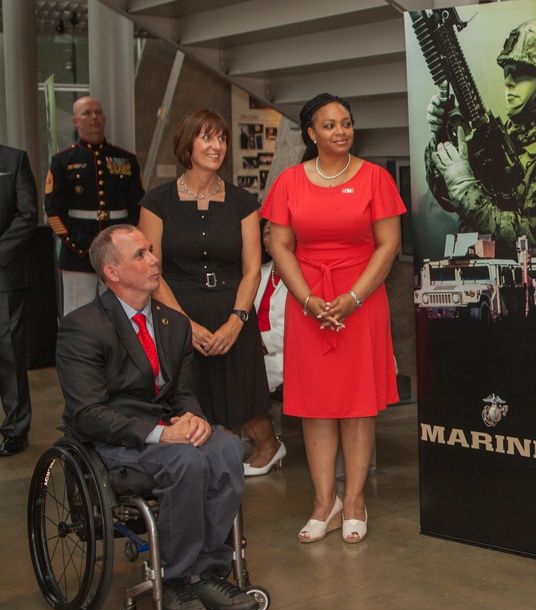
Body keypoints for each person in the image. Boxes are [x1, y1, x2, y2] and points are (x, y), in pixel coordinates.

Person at [55, 224, 259, 610]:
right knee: (187, 462)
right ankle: (176, 577)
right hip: (114, 439)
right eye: (140, 255)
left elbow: (182, 392)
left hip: (167, 429)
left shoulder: (174, 323)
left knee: (227, 447)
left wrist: (194, 419)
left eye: (151, 250)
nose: (154, 260)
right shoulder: (83, 327)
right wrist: (162, 433)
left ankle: (210, 571)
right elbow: (87, 413)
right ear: (112, 272)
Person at [261, 93, 404, 544]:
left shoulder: (376, 179)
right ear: (311, 133)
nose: (340, 131)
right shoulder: (289, 182)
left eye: (346, 123)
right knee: (314, 404)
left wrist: (353, 297)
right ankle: (326, 503)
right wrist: (306, 301)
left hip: (361, 301)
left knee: (358, 403)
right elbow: (279, 245)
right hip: (307, 303)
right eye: (329, 125)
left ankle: (356, 500)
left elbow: (388, 245)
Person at [137, 110, 277, 471]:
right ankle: (199, 460)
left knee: (240, 391)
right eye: (207, 138)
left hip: (232, 307)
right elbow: (153, 271)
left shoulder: (242, 202)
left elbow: (251, 270)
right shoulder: (157, 201)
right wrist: (186, 325)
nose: (217, 146)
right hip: (176, 310)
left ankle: (263, 447)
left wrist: (237, 321)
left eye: (222, 139)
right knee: (188, 390)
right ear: (188, 144)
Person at [425, 19, 536, 253]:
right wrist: (441, 134)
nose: (508, 82)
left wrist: (468, 194)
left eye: (521, 74)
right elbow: (446, 196)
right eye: (507, 72)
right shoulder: (508, 139)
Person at [45, 96, 144, 315]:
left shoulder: (125, 159)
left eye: (98, 112)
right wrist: (84, 246)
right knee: (78, 314)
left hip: (119, 251)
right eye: (87, 113)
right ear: (75, 120)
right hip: (78, 252)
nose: (94, 118)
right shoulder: (63, 160)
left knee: (123, 314)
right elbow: (54, 212)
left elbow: (137, 206)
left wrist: (125, 244)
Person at [0, 144, 38, 456]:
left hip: (4, 275)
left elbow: (27, 214)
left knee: (9, 354)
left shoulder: (14, 159)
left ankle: (15, 430)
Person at [244, 219, 289, 476]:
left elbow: (305, 326)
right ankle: (263, 444)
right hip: (259, 355)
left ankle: (269, 445)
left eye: (277, 231)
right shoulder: (259, 272)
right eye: (266, 232)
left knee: (238, 383)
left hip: (291, 357)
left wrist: (262, 341)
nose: (270, 237)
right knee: (222, 377)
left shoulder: (305, 270)